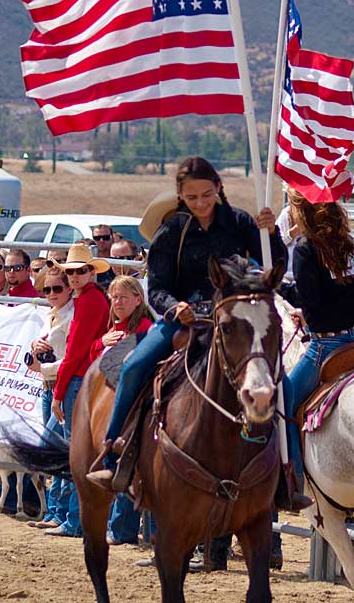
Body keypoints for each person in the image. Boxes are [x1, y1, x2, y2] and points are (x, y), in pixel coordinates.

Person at [89, 157, 287, 547]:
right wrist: (171, 307)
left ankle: (287, 470)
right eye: (192, 196)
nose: (201, 202)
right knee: (134, 366)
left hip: (233, 321)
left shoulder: (242, 223)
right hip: (183, 320)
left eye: (207, 194)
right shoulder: (172, 231)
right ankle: (114, 455)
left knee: (281, 383)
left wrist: (272, 236)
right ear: (180, 195)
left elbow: (273, 269)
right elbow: (157, 286)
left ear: (219, 188)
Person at [278, 191, 354, 510]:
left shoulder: (306, 249)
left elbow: (312, 299)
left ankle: (291, 480)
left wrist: (277, 287)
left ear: (301, 212)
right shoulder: (350, 244)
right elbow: (346, 290)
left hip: (329, 344)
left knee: (284, 402)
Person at [44, 242, 112, 538]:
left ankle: (74, 519)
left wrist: (58, 391)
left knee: (74, 452)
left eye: (80, 271)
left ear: (91, 273)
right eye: (71, 272)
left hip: (77, 379)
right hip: (82, 377)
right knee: (67, 448)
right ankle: (68, 515)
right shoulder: (91, 299)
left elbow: (75, 351)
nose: (74, 276)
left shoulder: (88, 301)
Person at [100, 275, 155, 546]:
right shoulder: (115, 327)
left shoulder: (145, 328)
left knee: (129, 458)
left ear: (138, 300)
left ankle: (126, 529)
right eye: (114, 297)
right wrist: (101, 343)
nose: (117, 302)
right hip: (113, 398)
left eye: (123, 297)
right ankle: (122, 528)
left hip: (133, 404)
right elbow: (94, 360)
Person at [25, 262, 75, 532]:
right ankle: (56, 511)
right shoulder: (51, 314)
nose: (52, 293)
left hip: (60, 383)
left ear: (68, 289)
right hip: (48, 384)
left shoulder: (72, 315)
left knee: (54, 446)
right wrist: (36, 346)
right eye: (47, 289)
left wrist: (42, 366)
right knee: (54, 448)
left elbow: (72, 358)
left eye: (57, 288)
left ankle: (61, 512)